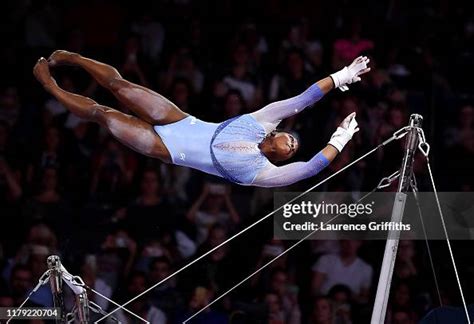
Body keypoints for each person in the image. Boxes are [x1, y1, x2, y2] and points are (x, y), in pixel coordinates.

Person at [33, 50, 370, 187]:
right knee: (121, 86)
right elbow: (303, 100)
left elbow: (312, 168)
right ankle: (74, 57)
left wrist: (339, 139)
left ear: (282, 156)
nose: (293, 145)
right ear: (278, 135)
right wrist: (342, 76)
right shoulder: (262, 121)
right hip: (181, 121)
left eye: (294, 149)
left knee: (103, 114)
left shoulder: (263, 174)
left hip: (165, 147)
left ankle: (49, 85)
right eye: (293, 139)